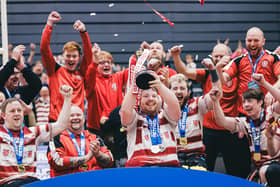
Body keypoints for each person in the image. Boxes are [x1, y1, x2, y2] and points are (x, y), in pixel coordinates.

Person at [171, 43, 250, 178]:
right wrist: (176, 56)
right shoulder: (207, 73)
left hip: (230, 129)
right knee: (205, 171)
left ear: (230, 58)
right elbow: (184, 71)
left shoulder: (238, 75)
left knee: (235, 172)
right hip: (208, 131)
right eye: (216, 56)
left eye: (222, 56)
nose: (218, 59)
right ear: (212, 57)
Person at [210, 73, 280, 186]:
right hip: (259, 167)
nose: (246, 105)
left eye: (250, 101)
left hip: (276, 165)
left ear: (260, 102)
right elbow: (221, 121)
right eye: (244, 102)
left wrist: (264, 84)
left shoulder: (271, 112)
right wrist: (215, 102)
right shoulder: (245, 122)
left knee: (270, 172)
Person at [0, 85, 73, 186]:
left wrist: (68, 98)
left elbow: (61, 125)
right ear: (3, 115)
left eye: (19, 110)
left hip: (32, 182)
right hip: (9, 182)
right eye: (12, 111)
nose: (17, 113)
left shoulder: (33, 133)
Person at [120, 71, 181, 167]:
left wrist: (160, 86)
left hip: (169, 169)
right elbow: (125, 111)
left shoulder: (167, 116)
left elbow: (175, 105)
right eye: (145, 96)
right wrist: (135, 85)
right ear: (139, 101)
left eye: (154, 96)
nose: (150, 99)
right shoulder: (134, 119)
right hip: (141, 171)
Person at [40, 11, 92, 122]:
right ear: (63, 56)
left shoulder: (81, 73)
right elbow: (44, 49)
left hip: (77, 121)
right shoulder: (54, 70)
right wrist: (49, 24)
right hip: (57, 121)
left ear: (79, 58)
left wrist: (83, 32)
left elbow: (88, 56)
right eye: (68, 56)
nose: (71, 59)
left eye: (74, 56)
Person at [222, 27, 280, 115]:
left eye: (256, 40)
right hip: (244, 114)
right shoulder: (238, 61)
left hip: (268, 112)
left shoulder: (273, 58)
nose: (252, 44)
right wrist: (217, 68)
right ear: (245, 41)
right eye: (249, 41)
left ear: (263, 41)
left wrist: (271, 92)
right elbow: (223, 79)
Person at [169, 71, 220, 170]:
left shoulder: (197, 104)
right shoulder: (163, 108)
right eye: (175, 88)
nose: (179, 91)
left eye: (182, 88)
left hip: (196, 156)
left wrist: (213, 71)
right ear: (169, 91)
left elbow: (214, 97)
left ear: (188, 92)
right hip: (174, 156)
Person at [47, 105, 113, 177]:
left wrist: (98, 154)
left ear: (84, 119)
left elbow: (109, 162)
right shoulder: (57, 138)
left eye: (78, 115)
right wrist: (86, 158)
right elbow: (56, 162)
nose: (75, 118)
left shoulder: (95, 138)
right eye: (71, 116)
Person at [85, 47, 129, 135]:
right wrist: (94, 60)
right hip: (97, 127)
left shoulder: (117, 77)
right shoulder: (93, 80)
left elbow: (132, 70)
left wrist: (140, 56)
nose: (106, 65)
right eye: (101, 63)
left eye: (108, 62)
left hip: (116, 124)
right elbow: (90, 74)